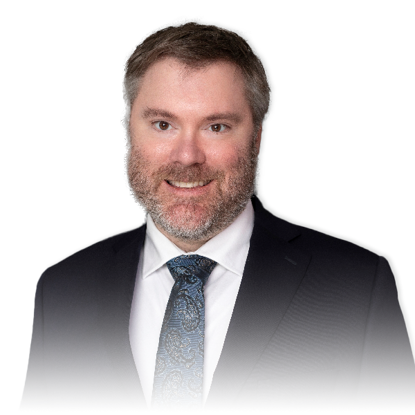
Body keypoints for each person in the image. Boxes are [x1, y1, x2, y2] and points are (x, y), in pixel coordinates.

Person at [18, 19, 415, 413]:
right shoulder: (62, 291)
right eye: (163, 124)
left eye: (217, 126)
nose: (187, 156)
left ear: (256, 138)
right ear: (127, 133)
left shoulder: (357, 287)